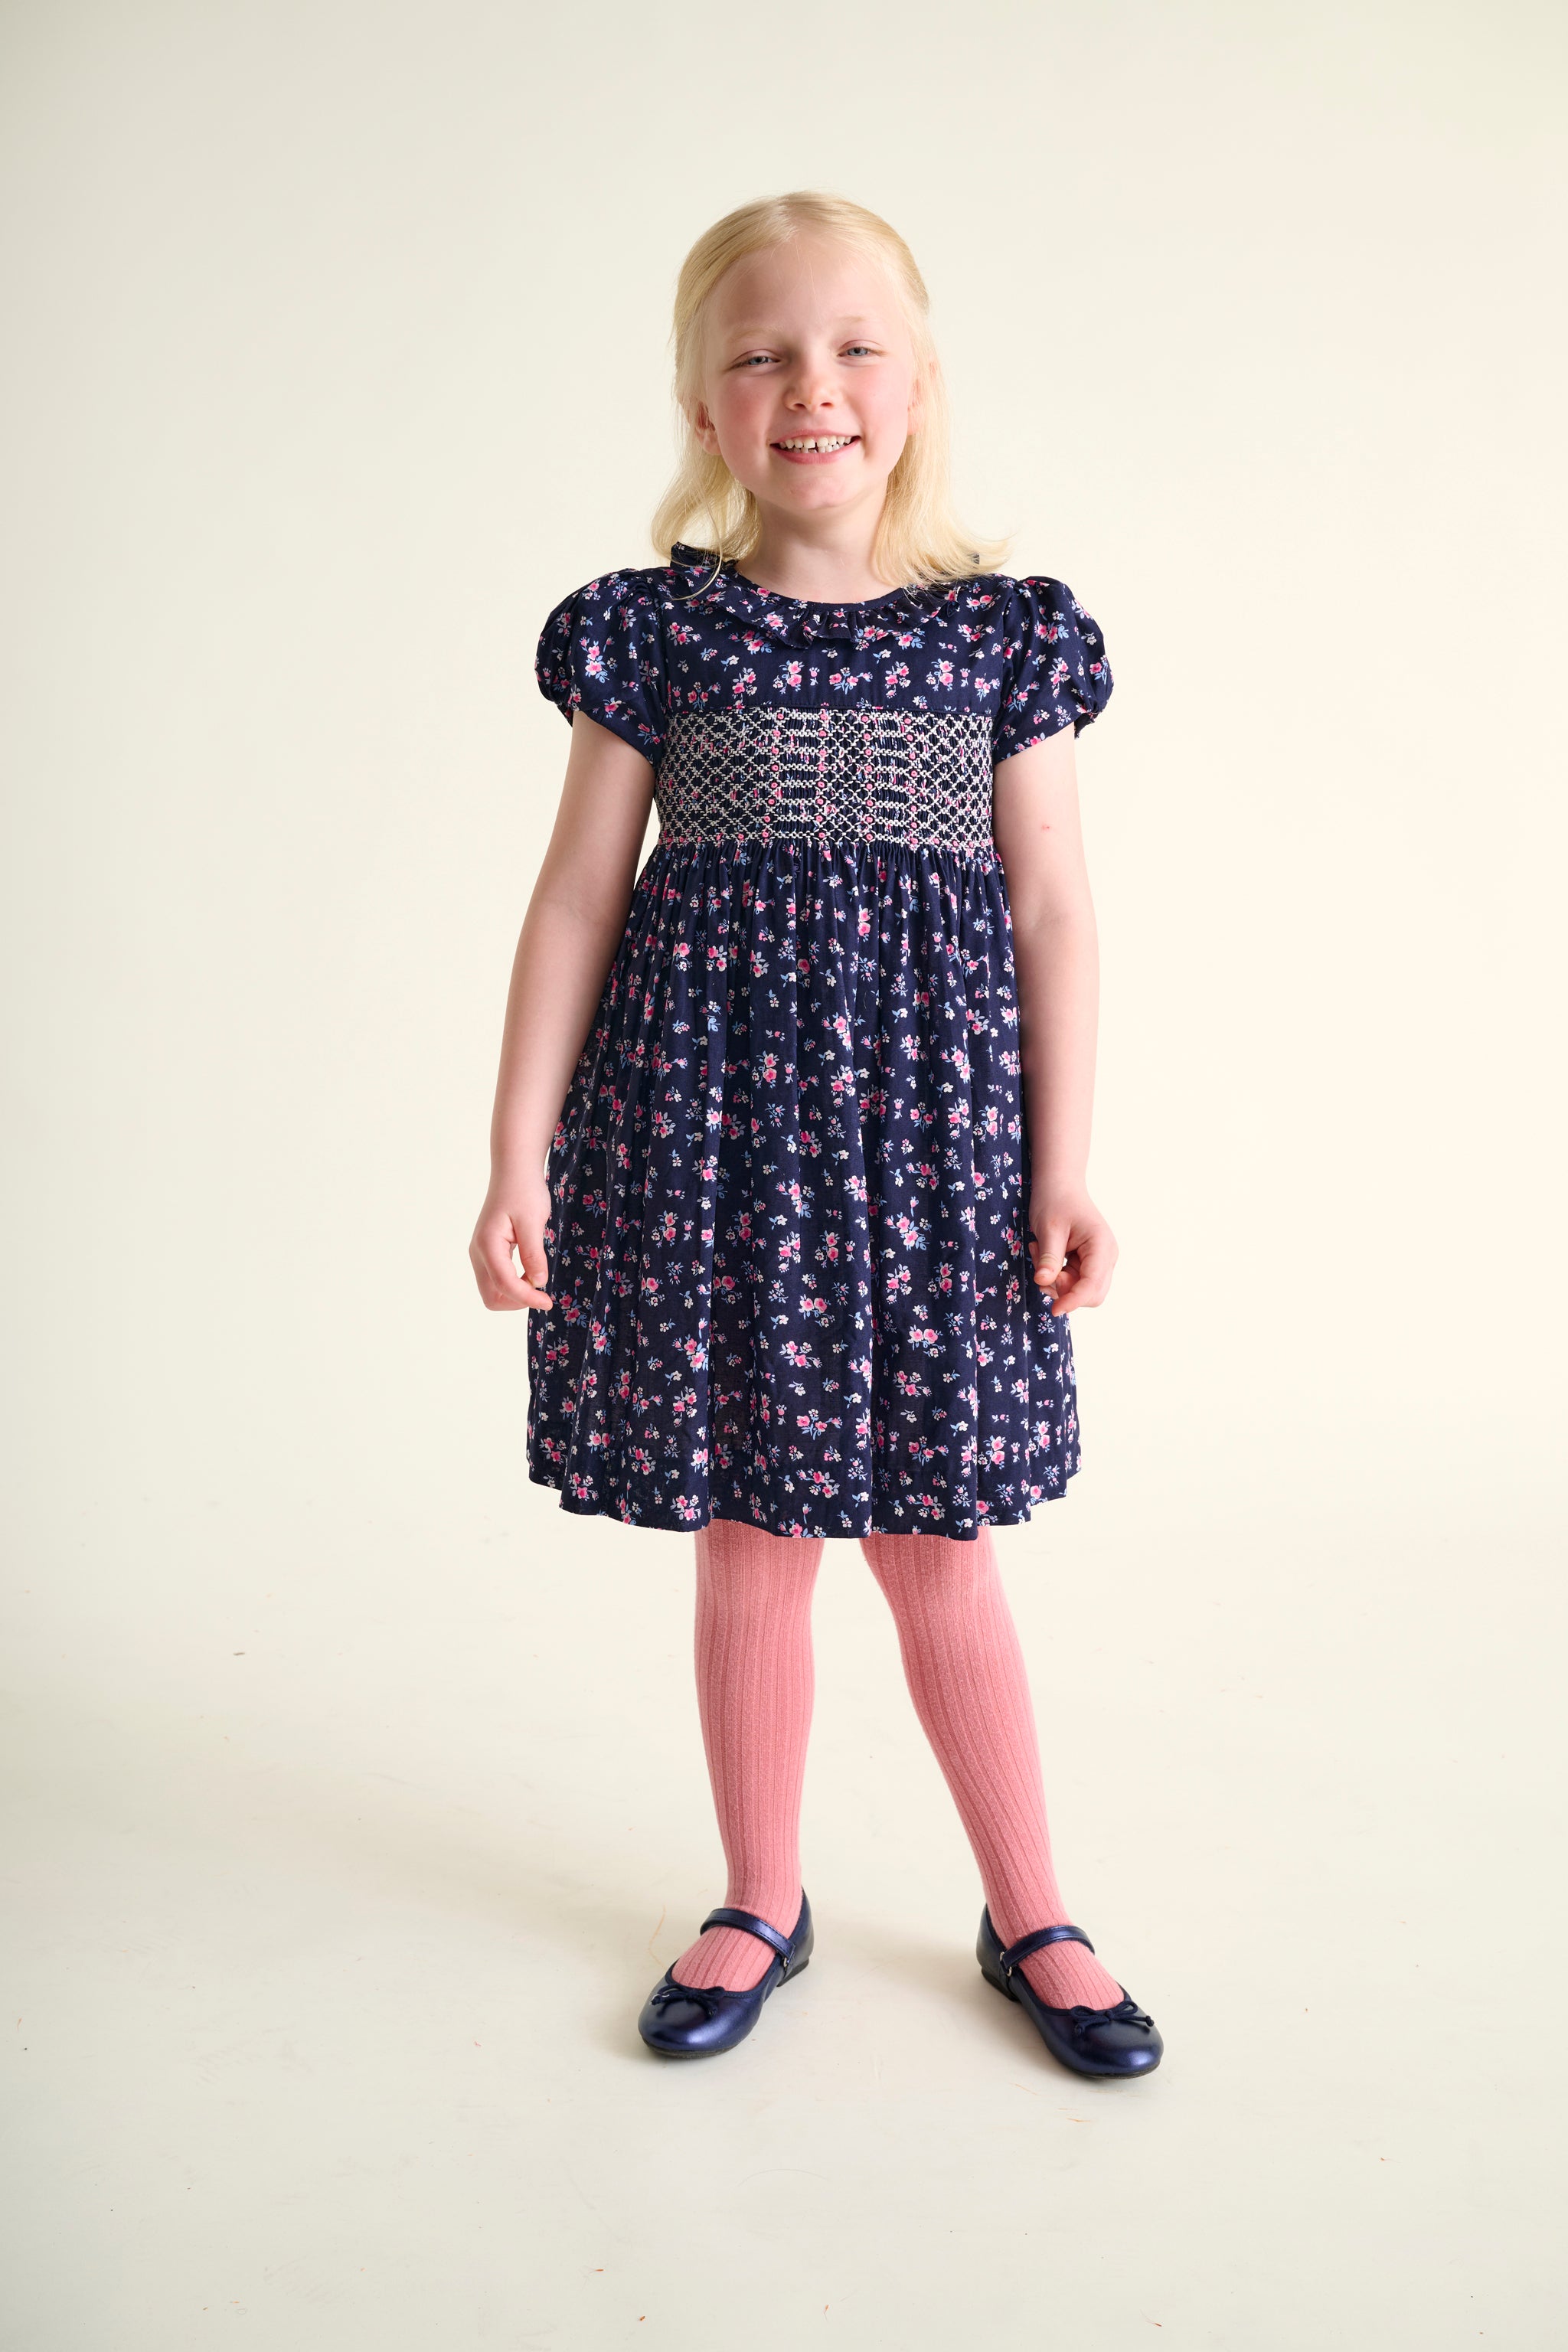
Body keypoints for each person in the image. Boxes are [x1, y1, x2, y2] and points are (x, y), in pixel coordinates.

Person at [469, 190, 1161, 2080]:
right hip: (703, 1146)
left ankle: (1032, 1912)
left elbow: (1053, 917)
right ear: (703, 406)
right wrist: (517, 1155)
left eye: (855, 347)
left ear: (920, 384)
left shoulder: (1002, 637)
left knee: (940, 1539)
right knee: (752, 1533)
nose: (813, 387)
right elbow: (572, 904)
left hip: (936, 1156)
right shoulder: (652, 632)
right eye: (761, 352)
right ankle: (758, 1899)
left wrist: (1063, 1165)